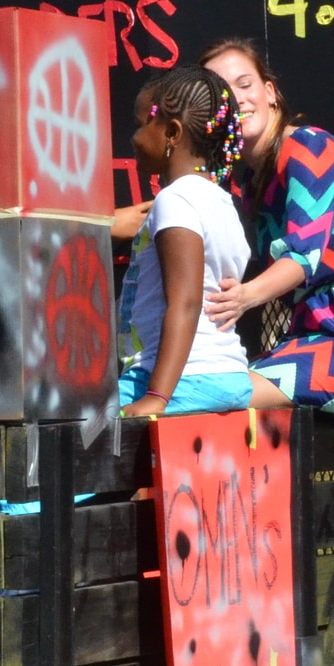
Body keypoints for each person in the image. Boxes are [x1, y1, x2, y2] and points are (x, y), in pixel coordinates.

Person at [199, 38, 334, 432]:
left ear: (270, 92)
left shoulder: (307, 147)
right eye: (221, 92)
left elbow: (304, 257)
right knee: (216, 392)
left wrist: (242, 298)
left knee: (215, 394)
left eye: (244, 85)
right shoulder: (249, 182)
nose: (235, 100)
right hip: (314, 343)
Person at [117, 68, 254, 418]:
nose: (133, 138)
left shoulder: (176, 200)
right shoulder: (222, 203)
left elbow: (186, 302)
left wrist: (157, 397)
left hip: (181, 381)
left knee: (78, 427)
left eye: (141, 124)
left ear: (172, 133)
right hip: (228, 377)